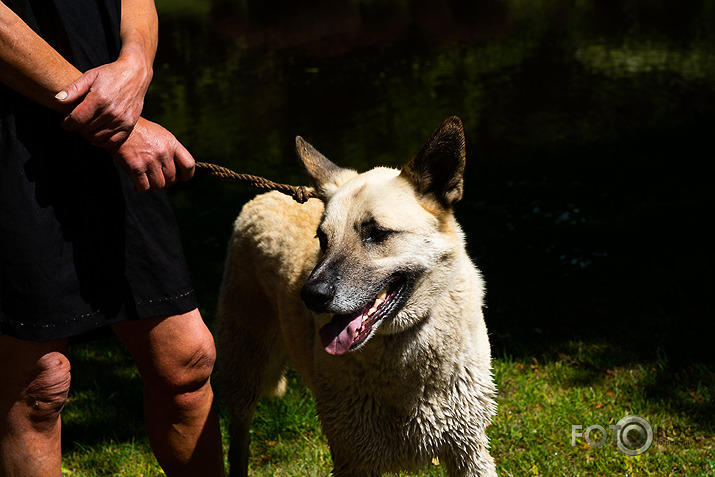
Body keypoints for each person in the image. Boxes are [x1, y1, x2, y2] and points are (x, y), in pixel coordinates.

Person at [0, 1, 225, 475]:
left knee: (186, 363)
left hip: (118, 120)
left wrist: (134, 65)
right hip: (14, 135)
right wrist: (110, 116)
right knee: (38, 388)